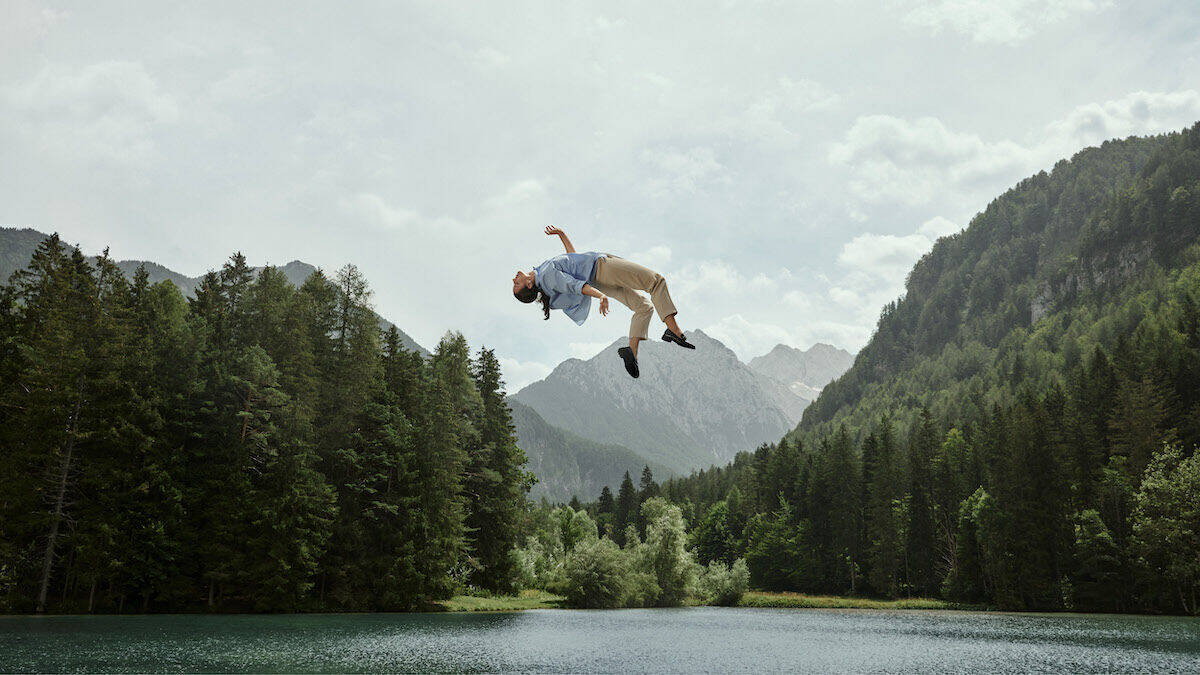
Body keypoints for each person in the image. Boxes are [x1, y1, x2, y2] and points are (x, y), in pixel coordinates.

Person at [512, 226, 694, 378]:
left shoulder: (543, 274)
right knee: (655, 281)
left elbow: (573, 260)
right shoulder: (547, 276)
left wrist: (562, 235)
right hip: (601, 268)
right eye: (517, 284)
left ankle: (632, 352)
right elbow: (576, 285)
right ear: (529, 284)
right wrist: (601, 297)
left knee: (643, 307)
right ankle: (674, 331)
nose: (514, 280)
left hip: (598, 280)